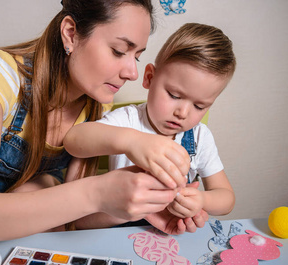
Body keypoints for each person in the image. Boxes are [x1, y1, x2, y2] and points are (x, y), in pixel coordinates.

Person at [0, 2, 208, 265]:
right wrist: (98, 191)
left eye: (136, 56)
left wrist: (136, 205)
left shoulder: (94, 104)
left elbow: (75, 220)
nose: (132, 72)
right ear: (70, 34)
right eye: (118, 51)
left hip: (31, 206)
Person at [64, 23, 236, 221]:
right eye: (174, 95)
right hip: (119, 223)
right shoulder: (129, 119)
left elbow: (227, 199)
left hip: (170, 230)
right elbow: (74, 139)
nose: (183, 112)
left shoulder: (199, 137)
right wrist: (132, 142)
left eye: (199, 106)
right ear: (149, 78)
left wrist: (201, 199)